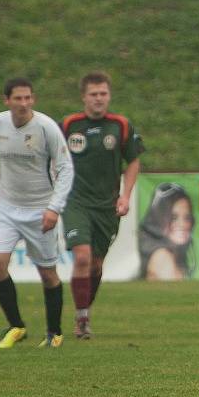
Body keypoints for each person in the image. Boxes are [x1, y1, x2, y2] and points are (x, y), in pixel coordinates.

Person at [0, 77, 74, 349]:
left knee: (48, 274)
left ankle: (54, 333)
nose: (23, 103)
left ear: (33, 99)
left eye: (28, 98)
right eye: (18, 98)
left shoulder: (45, 127)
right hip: (6, 208)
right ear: (7, 100)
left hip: (40, 210)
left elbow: (66, 168)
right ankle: (16, 326)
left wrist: (54, 208)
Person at [61, 72, 145, 339]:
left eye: (103, 94)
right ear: (84, 97)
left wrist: (125, 195)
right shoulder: (68, 125)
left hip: (107, 206)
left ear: (109, 95)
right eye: (94, 94)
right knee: (82, 257)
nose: (99, 99)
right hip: (75, 202)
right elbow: (51, 160)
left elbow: (133, 162)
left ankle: (84, 311)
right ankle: (81, 318)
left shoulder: (120, 125)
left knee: (96, 265)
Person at [139, 183, 195, 280]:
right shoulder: (162, 258)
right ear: (159, 219)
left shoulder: (175, 255)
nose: (182, 224)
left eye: (187, 218)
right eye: (173, 218)